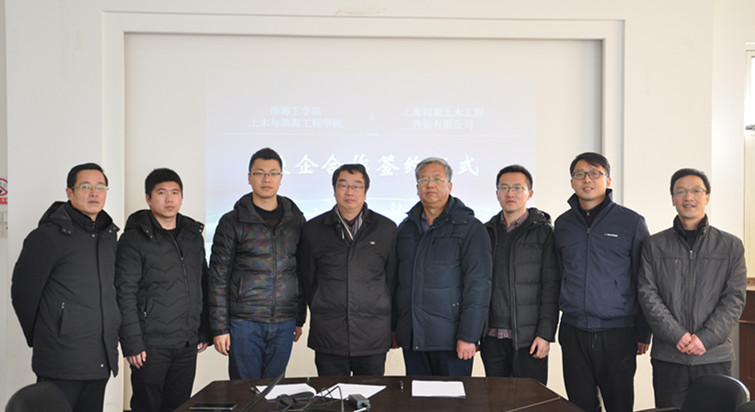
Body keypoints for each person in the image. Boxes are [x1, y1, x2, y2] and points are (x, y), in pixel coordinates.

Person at [11, 163, 120, 412]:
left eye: (100, 187)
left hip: (99, 358)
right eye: (85, 186)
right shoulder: (47, 237)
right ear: (69, 192)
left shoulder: (108, 237)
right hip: (60, 358)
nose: (94, 192)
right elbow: (23, 295)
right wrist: (47, 334)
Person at [638, 168, 746, 408]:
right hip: (669, 356)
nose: (689, 197)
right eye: (681, 191)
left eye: (696, 190)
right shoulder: (654, 245)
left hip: (713, 355)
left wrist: (705, 339)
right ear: (672, 199)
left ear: (707, 197)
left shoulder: (730, 246)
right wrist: (677, 335)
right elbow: (648, 294)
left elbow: (734, 299)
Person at [554, 152, 651, 412]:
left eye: (594, 173)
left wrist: (644, 330)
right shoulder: (563, 224)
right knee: (579, 405)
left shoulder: (631, 222)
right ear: (572, 182)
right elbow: (559, 274)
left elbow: (644, 278)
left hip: (618, 332)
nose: (587, 179)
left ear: (607, 180)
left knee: (619, 405)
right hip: (573, 330)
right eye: (580, 174)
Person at [115, 168, 211, 412]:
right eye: (161, 193)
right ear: (148, 198)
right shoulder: (133, 239)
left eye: (175, 193)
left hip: (186, 342)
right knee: (147, 406)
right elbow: (124, 293)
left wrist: (204, 329)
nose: (169, 199)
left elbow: (203, 283)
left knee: (179, 406)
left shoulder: (192, 236)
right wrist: (132, 343)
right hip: (150, 345)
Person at [208, 147, 306, 379]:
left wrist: (299, 317)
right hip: (245, 321)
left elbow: (300, 271)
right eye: (259, 173)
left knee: (274, 391)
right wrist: (220, 328)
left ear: (281, 178)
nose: (266, 179)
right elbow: (218, 277)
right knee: (244, 391)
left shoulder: (295, 220)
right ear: (249, 177)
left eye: (273, 173)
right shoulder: (232, 221)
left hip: (284, 320)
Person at [394, 157, 492, 376]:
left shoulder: (470, 228)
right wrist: (397, 329)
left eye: (437, 179)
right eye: (424, 180)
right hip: (413, 337)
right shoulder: (406, 229)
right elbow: (397, 283)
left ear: (450, 185)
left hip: (452, 340)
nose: (430, 184)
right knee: (416, 395)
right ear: (417, 187)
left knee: (452, 397)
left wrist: (469, 335)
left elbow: (479, 284)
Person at [299, 164, 397, 376]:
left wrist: (393, 326)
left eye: (356, 186)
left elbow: (392, 281)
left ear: (366, 191)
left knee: (371, 394)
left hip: (372, 333)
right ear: (334, 189)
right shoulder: (313, 229)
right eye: (343, 185)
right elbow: (307, 279)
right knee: (331, 394)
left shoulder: (386, 228)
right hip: (329, 333)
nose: (349, 192)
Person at [481, 165, 559, 384]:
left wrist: (545, 334)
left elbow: (551, 286)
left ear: (529, 193)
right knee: (495, 399)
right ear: (497, 193)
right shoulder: (486, 232)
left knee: (530, 400)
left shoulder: (544, 233)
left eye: (517, 187)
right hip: (492, 338)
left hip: (529, 339)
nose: (510, 193)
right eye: (504, 188)